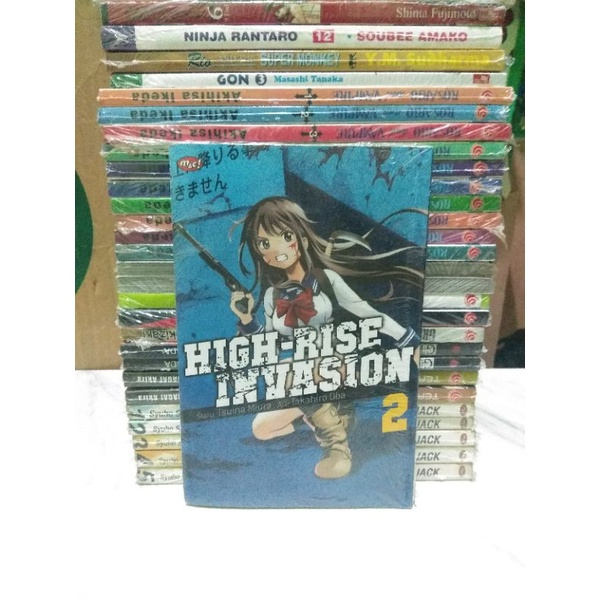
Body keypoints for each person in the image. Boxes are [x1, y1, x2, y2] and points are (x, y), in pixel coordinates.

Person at [229, 196, 421, 479]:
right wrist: (246, 319)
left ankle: (337, 448)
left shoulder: (327, 280)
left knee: (290, 371)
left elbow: (369, 314)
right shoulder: (272, 296)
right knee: (262, 429)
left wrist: (409, 341)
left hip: (339, 366)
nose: (275, 249)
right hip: (304, 380)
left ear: (303, 240)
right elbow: (268, 345)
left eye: (285, 237)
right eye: (264, 243)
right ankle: (329, 417)